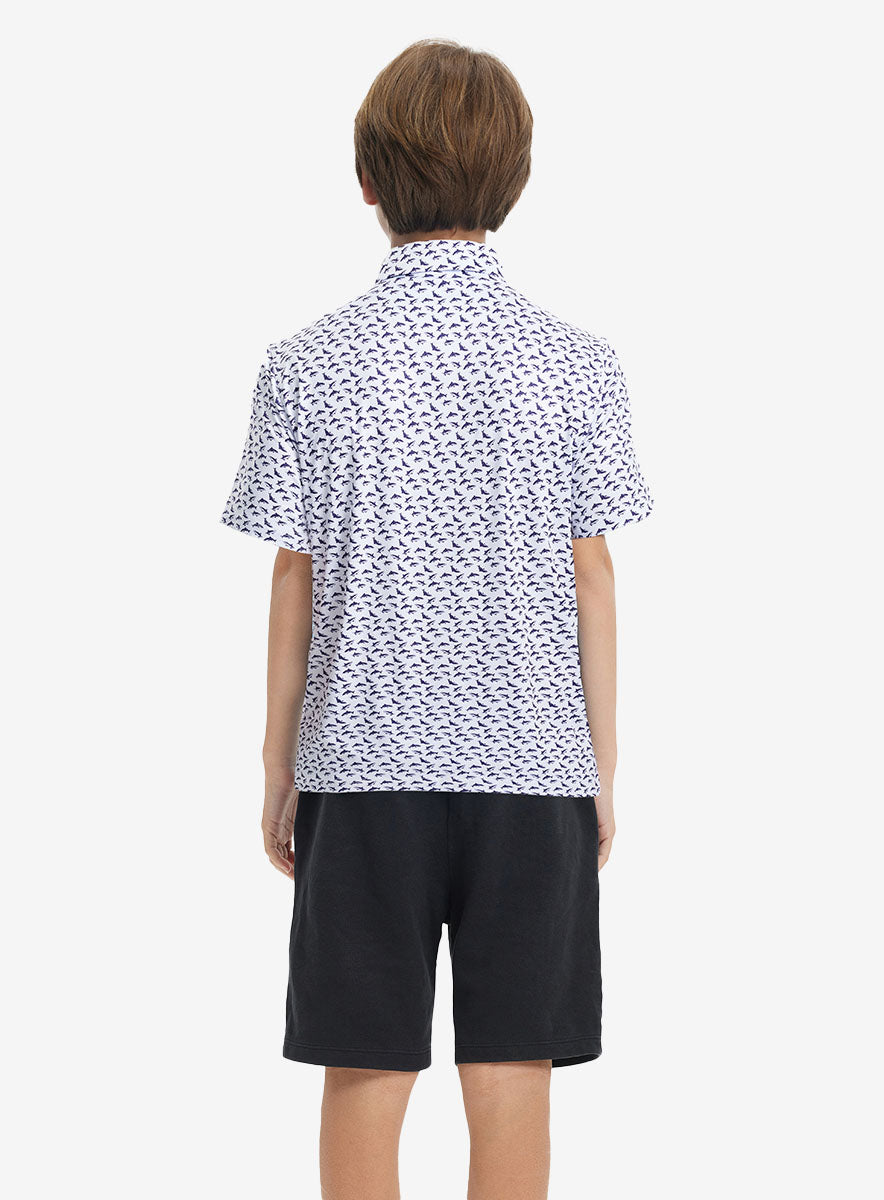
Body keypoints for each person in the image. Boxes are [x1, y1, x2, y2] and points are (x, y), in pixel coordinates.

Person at [220, 37, 653, 1200]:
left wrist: (278, 766)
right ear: (516, 180)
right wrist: (601, 767)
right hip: (532, 765)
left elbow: (295, 577)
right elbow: (594, 575)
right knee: (513, 1059)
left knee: (365, 1059)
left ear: (366, 179)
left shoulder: (305, 366)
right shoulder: (579, 365)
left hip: (361, 766)